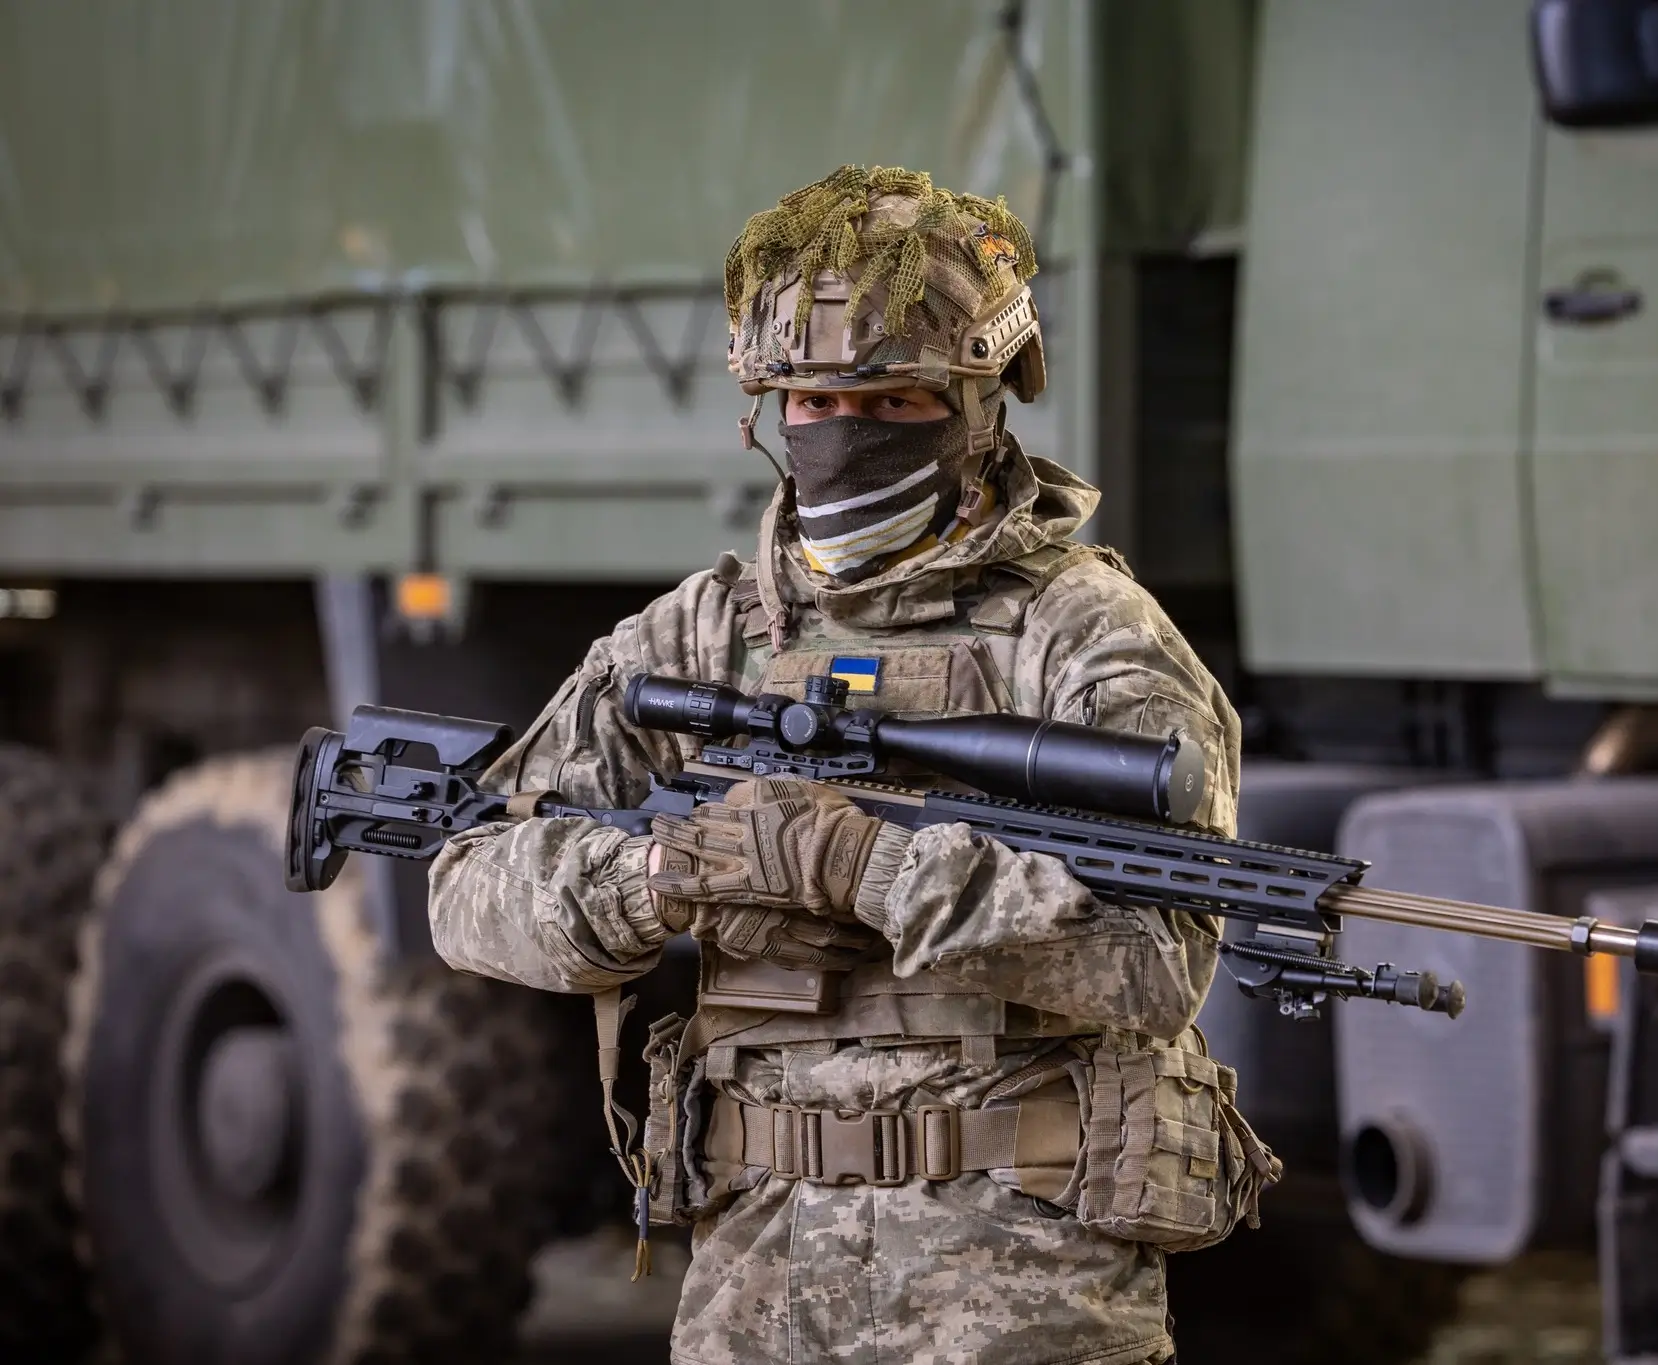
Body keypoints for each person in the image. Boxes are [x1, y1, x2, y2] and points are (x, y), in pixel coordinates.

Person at [428, 165, 1263, 1365]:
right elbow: (467, 889)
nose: (841, 433)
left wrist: (870, 868)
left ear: (980, 405)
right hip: (758, 1274)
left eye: (892, 404)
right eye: (811, 403)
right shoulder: (698, 636)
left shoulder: (1088, 636)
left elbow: (1159, 965)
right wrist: (660, 877)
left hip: (1016, 1284)